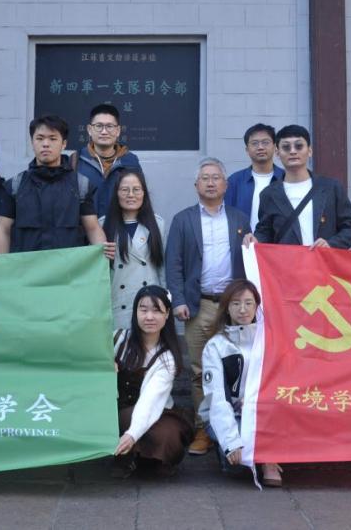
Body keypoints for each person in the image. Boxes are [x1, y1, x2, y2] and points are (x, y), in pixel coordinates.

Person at [165, 157, 250, 456]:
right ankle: (203, 429)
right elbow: (173, 264)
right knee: (200, 370)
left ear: (225, 185)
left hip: (232, 307)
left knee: (235, 368)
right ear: (196, 185)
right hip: (197, 305)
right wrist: (178, 300)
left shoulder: (240, 219)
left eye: (216, 178)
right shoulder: (183, 220)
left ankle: (236, 428)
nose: (211, 182)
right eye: (205, 178)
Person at [200, 279, 282, 487]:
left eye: (248, 303)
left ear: (257, 306)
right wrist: (230, 442)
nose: (243, 309)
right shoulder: (216, 346)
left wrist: (256, 400)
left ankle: (269, 460)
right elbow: (217, 398)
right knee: (237, 463)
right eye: (236, 303)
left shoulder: (270, 341)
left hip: (264, 411)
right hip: (230, 413)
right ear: (226, 308)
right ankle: (231, 450)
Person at [0, 114, 110, 255]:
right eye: (40, 138)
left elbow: (92, 228)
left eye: (52, 138)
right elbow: (3, 230)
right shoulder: (15, 185)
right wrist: (1, 264)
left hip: (68, 266)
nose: (45, 144)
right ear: (32, 142)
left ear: (64, 144)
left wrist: (104, 254)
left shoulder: (80, 185)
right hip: (27, 267)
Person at [112, 286, 192, 478]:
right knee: (121, 418)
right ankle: (128, 456)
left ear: (167, 315)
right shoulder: (118, 338)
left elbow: (150, 400)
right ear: (135, 312)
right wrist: (105, 366)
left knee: (167, 435)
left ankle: (146, 457)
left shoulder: (168, 358)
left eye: (157, 311)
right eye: (143, 309)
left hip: (156, 410)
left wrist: (132, 434)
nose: (149, 317)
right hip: (116, 408)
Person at [249, 124, 351, 249]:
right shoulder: (268, 194)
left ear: (309, 151)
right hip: (288, 260)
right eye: (286, 147)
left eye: (299, 146)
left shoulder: (331, 187)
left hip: (324, 259)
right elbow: (265, 232)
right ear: (277, 153)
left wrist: (331, 244)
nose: (293, 151)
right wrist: (255, 239)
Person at [101, 169, 165, 332]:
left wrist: (165, 301)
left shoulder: (158, 224)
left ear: (144, 193)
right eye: (124, 190)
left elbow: (162, 269)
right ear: (116, 194)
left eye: (136, 189)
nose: (131, 195)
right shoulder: (102, 226)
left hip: (149, 306)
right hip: (117, 304)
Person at [76, 104, 143, 218]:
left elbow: (140, 198)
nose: (104, 132)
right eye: (98, 126)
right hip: (85, 227)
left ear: (118, 130)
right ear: (89, 130)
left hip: (120, 227)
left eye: (109, 126)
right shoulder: (77, 160)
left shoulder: (131, 162)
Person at [225, 123, 285, 232]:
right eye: (254, 143)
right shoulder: (234, 181)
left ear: (275, 147)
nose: (260, 147)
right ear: (247, 150)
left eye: (265, 142)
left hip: (278, 241)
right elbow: (226, 215)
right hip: (243, 241)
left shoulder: (286, 179)